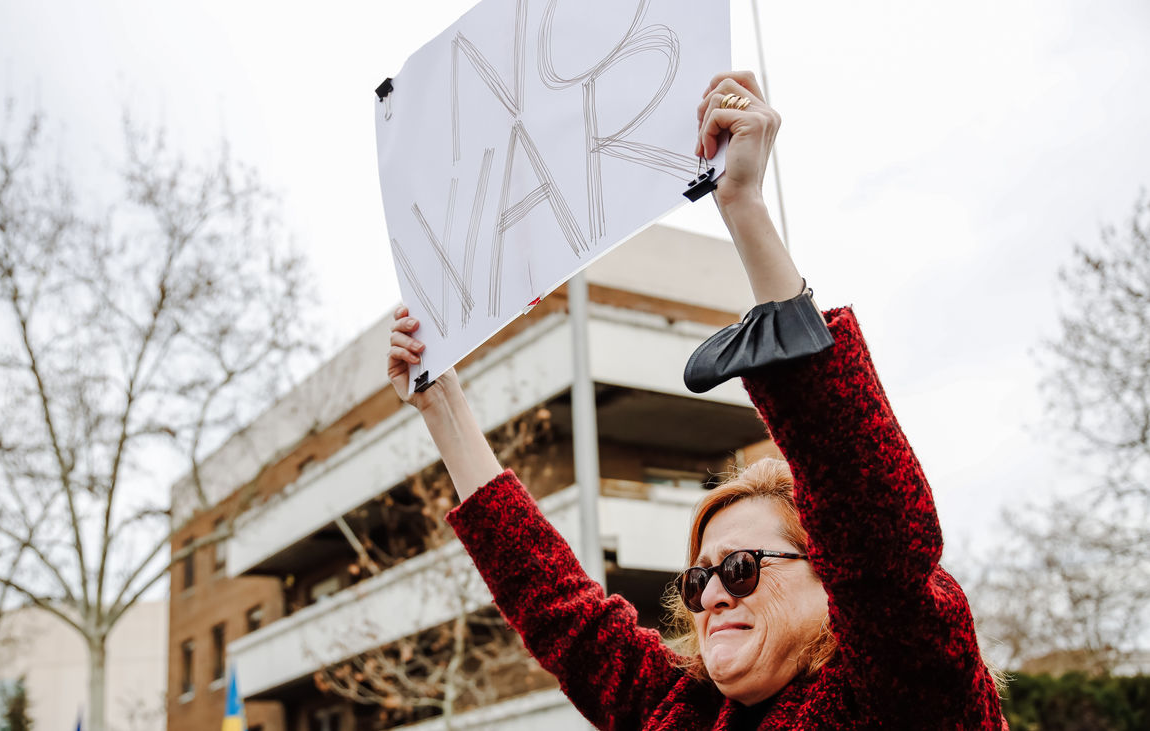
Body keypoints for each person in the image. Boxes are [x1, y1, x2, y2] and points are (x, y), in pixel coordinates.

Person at [385, 71, 1005, 730]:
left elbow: (875, 528)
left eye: (740, 568)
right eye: (698, 578)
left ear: (833, 577)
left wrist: (741, 203)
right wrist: (440, 403)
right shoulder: (680, 713)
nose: (710, 594)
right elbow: (561, 610)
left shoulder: (907, 690)